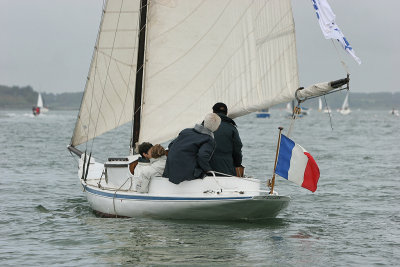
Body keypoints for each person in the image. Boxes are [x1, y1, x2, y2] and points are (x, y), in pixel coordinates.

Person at [163, 113, 221, 184]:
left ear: (204, 121)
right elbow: (202, 157)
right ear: (217, 128)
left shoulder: (186, 131)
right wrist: (208, 170)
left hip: (169, 171)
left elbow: (171, 145)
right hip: (186, 175)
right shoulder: (209, 140)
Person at [210, 102, 243, 176]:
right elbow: (237, 149)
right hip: (226, 169)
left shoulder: (204, 126)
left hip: (205, 169)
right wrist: (237, 164)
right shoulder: (232, 128)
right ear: (226, 113)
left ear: (213, 113)